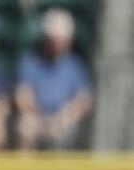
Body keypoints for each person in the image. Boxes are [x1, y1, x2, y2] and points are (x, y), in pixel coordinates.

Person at [15, 9, 93, 149]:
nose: (61, 43)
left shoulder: (74, 64)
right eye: (57, 39)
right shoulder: (31, 61)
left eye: (65, 40)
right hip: (37, 117)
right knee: (26, 127)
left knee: (65, 131)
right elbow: (23, 95)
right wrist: (36, 116)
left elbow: (84, 100)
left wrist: (65, 116)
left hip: (63, 118)